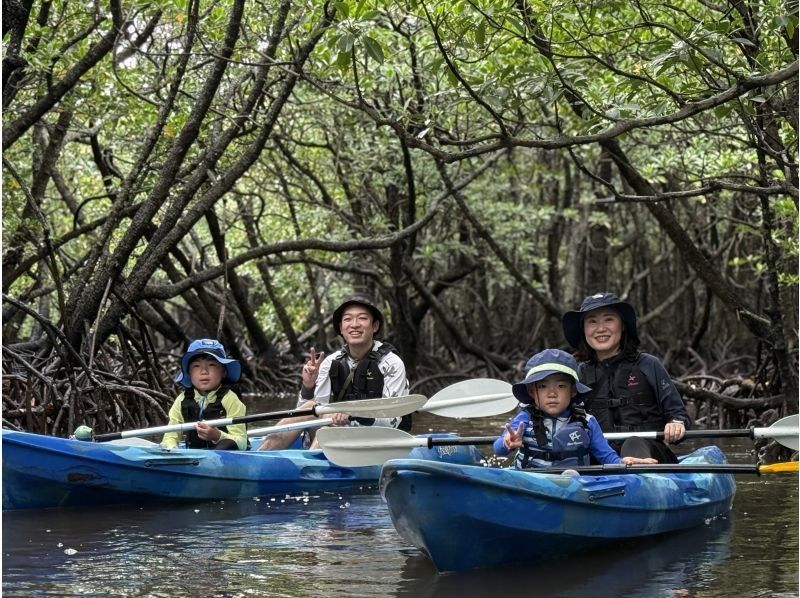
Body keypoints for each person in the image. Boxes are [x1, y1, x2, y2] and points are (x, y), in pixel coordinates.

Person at [258, 293, 409, 451]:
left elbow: (392, 421)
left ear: (375, 326)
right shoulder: (330, 362)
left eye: (362, 318)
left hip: (376, 442)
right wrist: (307, 388)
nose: (354, 324)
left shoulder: (392, 364)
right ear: (341, 328)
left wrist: (351, 415)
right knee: (311, 405)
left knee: (330, 429)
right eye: (348, 319)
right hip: (334, 432)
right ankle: (260, 457)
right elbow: (306, 417)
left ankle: (309, 467)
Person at [562, 292, 690, 463]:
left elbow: (678, 414)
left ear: (622, 325)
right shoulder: (578, 374)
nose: (600, 328)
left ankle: (634, 476)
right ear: (584, 330)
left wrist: (676, 423)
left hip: (650, 455)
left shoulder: (649, 365)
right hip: (602, 459)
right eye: (592, 321)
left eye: (609, 319)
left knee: (633, 443)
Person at [493, 349, 656, 468]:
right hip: (529, 482)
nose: (552, 393)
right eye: (542, 386)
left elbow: (606, 456)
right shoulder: (523, 419)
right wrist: (507, 443)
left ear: (573, 391)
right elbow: (498, 449)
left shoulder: (587, 422)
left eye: (561, 386)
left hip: (573, 485)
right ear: (531, 392)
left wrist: (623, 463)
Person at [161, 338, 248, 451]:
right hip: (195, 459)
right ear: (189, 373)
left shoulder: (230, 399)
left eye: (211, 365)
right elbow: (170, 436)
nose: (204, 371)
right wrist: (171, 448)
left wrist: (217, 436)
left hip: (224, 456)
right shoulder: (182, 400)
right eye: (196, 366)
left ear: (223, 372)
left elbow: (242, 443)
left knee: (227, 444)